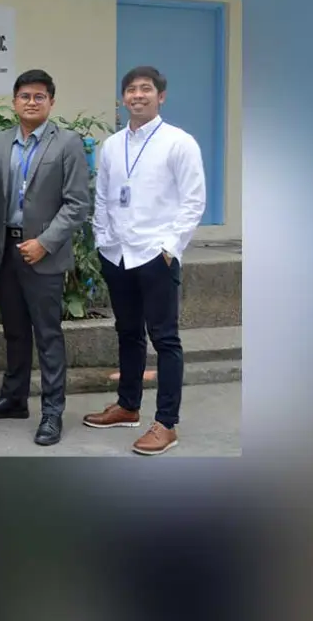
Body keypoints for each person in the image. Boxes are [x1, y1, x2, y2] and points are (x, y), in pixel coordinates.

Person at [85, 65, 206, 455]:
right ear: (123, 99)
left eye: (146, 89)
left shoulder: (179, 142)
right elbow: (102, 196)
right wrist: (102, 240)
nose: (138, 95)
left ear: (161, 96)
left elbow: (193, 201)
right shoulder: (112, 145)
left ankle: (166, 423)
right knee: (128, 333)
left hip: (156, 254)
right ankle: (127, 405)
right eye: (131, 90)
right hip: (117, 253)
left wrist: (169, 248)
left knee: (165, 339)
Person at [0, 69, 92, 446]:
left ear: (51, 102)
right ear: (14, 101)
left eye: (39, 96)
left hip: (43, 252)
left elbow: (77, 204)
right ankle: (14, 398)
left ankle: (53, 411)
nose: (31, 102)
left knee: (48, 334)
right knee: (15, 331)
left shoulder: (67, 143)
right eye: (24, 95)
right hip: (5, 251)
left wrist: (45, 242)